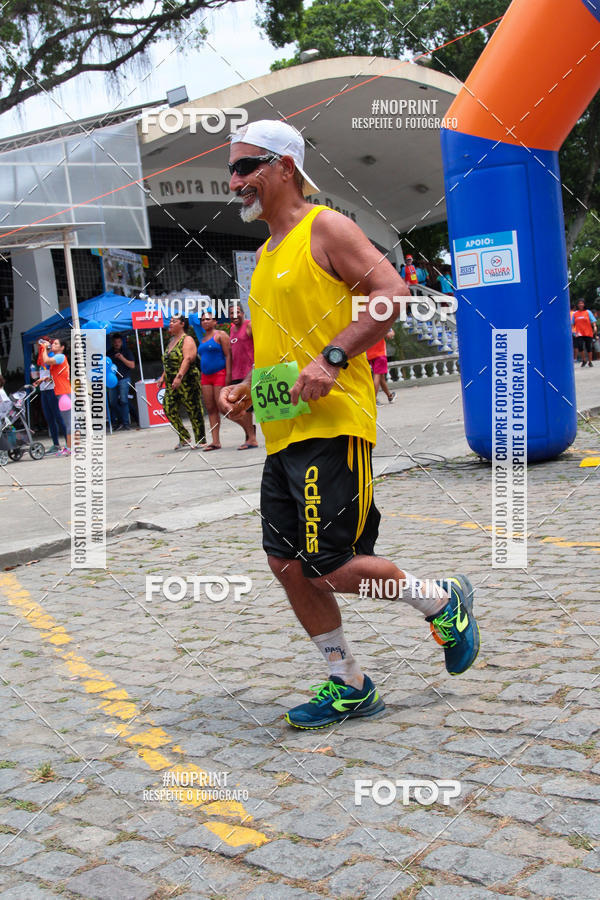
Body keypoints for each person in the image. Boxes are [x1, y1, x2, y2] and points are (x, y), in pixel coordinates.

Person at [219, 119, 480, 730]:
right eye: (231, 169)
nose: (234, 181)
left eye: (246, 166)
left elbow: (391, 291)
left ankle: (441, 601)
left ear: (286, 167)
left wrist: (334, 358)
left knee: (332, 564)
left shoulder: (326, 227)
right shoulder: (265, 255)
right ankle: (349, 682)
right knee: (286, 564)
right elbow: (287, 350)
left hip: (335, 428)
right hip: (285, 434)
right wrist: (249, 391)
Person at [158, 315, 206, 450]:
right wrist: (162, 377)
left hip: (187, 379)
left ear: (182, 324)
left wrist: (179, 377)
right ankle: (184, 436)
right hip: (171, 382)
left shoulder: (187, 339)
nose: (170, 323)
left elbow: (187, 359)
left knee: (193, 409)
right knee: (168, 408)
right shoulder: (171, 341)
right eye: (170, 321)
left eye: (174, 321)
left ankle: (201, 439)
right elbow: (169, 362)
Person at [198, 310, 231, 451]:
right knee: (211, 409)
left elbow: (228, 355)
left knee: (223, 407)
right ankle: (215, 441)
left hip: (220, 374)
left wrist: (228, 374)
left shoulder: (220, 335)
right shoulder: (202, 339)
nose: (205, 321)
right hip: (206, 376)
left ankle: (248, 428)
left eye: (208, 319)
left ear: (215, 321)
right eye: (203, 320)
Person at [229, 301, 258, 449]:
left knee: (248, 408)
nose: (235, 316)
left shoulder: (249, 325)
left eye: (237, 312)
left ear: (243, 313)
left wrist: (257, 364)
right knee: (240, 409)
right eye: (231, 313)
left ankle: (251, 439)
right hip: (237, 374)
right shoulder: (231, 329)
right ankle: (250, 435)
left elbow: (259, 344)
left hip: (250, 373)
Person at [35, 336, 66, 454]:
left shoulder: (53, 356)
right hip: (44, 390)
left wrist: (46, 350)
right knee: (49, 418)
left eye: (43, 344)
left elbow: (53, 372)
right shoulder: (41, 357)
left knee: (58, 417)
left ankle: (69, 444)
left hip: (53, 390)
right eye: (40, 345)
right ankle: (56, 444)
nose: (41, 347)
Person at [108, 333, 135, 430]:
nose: (117, 344)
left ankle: (126, 423)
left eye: (118, 342)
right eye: (115, 342)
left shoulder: (126, 351)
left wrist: (122, 358)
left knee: (124, 401)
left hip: (124, 378)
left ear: (121, 342)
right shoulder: (109, 353)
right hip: (111, 380)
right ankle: (120, 421)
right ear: (112, 342)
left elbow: (132, 365)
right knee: (112, 402)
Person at [367, 329, 396, 404]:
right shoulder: (380, 323)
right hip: (380, 353)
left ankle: (390, 396)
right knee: (377, 375)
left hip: (370, 354)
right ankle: (374, 399)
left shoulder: (366, 324)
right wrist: (391, 332)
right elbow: (389, 335)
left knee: (381, 378)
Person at [571, 299, 597, 367]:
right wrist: (573, 330)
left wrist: (594, 326)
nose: (580, 304)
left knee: (588, 347)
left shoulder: (588, 312)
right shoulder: (575, 313)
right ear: (577, 305)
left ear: (584, 304)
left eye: (582, 303)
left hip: (588, 332)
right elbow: (572, 323)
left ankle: (590, 361)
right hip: (579, 333)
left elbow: (593, 321)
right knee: (580, 346)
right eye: (579, 303)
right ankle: (584, 360)